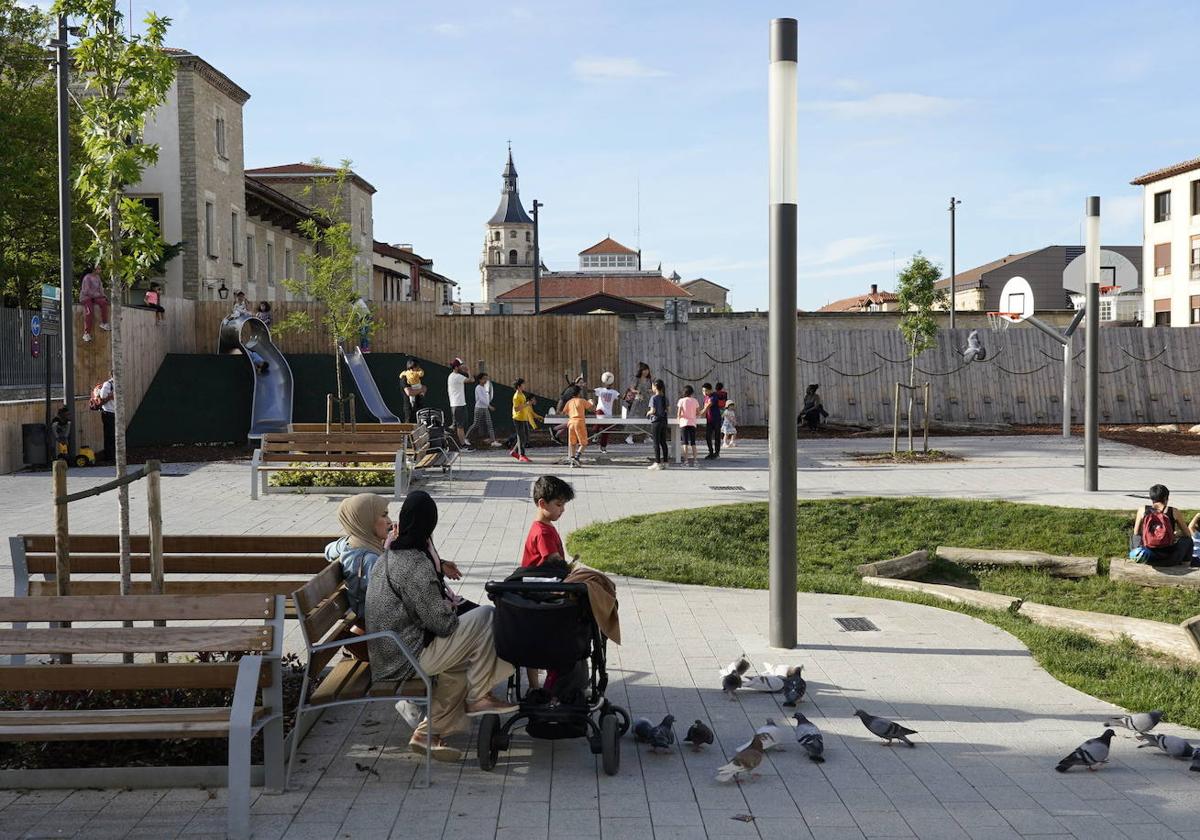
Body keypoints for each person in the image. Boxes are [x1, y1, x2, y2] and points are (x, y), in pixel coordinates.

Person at [365, 491, 515, 761]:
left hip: (389, 655)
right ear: (429, 527)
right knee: (487, 615)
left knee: (457, 669)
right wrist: (450, 610)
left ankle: (426, 734)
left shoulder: (389, 555)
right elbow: (443, 625)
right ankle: (480, 694)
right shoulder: (415, 563)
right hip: (405, 660)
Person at [520, 476, 575, 691]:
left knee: (531, 645)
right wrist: (570, 569)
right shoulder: (543, 531)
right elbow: (552, 560)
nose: (562, 510)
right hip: (540, 592)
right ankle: (541, 687)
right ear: (543, 504)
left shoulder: (543, 527)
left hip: (534, 590)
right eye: (558, 505)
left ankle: (534, 687)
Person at [325, 494, 391, 623]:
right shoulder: (370, 560)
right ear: (365, 520)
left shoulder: (352, 543)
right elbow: (384, 603)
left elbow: (328, 551)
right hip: (379, 629)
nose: (389, 521)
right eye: (383, 515)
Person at [1130, 484, 1193, 566]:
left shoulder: (1142, 510)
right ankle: (1185, 565)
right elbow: (1187, 534)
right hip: (1170, 559)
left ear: (1151, 498)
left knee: (1134, 536)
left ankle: (1137, 557)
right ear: (1166, 498)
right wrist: (1175, 534)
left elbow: (1136, 533)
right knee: (1187, 540)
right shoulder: (1173, 511)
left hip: (1147, 557)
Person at [465, 372, 502, 447]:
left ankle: (493, 441)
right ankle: (466, 438)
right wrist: (489, 406)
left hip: (485, 408)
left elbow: (486, 399)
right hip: (479, 408)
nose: (486, 380)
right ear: (480, 380)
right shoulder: (478, 388)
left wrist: (488, 405)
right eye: (484, 379)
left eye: (486, 379)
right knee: (475, 424)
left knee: (489, 424)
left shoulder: (484, 388)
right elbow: (481, 399)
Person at [511, 378, 541, 463]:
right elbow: (516, 409)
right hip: (518, 418)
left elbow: (524, 405)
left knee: (525, 437)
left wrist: (528, 404)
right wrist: (527, 404)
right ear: (519, 386)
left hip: (523, 418)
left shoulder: (522, 394)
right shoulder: (516, 396)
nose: (525, 385)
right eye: (523, 384)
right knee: (522, 437)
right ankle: (522, 455)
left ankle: (514, 452)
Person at [79, 266, 110, 343]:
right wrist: (98, 295)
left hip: (95, 297)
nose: (100, 270)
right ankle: (86, 333)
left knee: (103, 303)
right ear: (93, 269)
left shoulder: (98, 277)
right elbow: (86, 291)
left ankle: (104, 322)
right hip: (86, 297)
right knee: (89, 312)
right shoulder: (87, 278)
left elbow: (100, 289)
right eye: (98, 268)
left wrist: (103, 295)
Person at [624, 362, 652, 444]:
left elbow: (651, 389)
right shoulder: (637, 379)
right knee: (635, 419)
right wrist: (637, 391)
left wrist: (650, 390)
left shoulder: (649, 380)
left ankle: (647, 436)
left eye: (647, 370)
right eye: (645, 370)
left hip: (647, 402)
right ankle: (629, 436)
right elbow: (632, 388)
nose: (646, 371)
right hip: (638, 402)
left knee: (647, 418)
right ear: (641, 371)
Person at [564, 388, 593, 467]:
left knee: (572, 443)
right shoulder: (582, 400)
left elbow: (565, 411)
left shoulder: (569, 402)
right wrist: (591, 401)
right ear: (579, 393)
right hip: (579, 422)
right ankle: (577, 458)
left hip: (571, 423)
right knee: (583, 443)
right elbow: (590, 406)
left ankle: (572, 462)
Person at [446, 358, 471, 450]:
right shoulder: (457, 376)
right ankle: (463, 445)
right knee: (459, 426)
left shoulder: (452, 376)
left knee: (458, 425)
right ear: (456, 367)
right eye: (460, 365)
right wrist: (468, 370)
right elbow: (471, 380)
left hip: (458, 404)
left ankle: (463, 442)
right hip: (458, 405)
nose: (462, 367)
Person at [593, 372, 620, 454]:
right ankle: (595, 434)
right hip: (600, 410)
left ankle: (603, 447)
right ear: (603, 382)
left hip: (608, 414)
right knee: (599, 422)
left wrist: (629, 397)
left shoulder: (614, 392)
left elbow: (621, 397)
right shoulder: (600, 390)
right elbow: (591, 391)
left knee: (607, 431)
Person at [646, 378, 669, 470]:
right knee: (663, 442)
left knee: (656, 443)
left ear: (655, 387)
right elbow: (668, 409)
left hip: (656, 421)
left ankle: (657, 462)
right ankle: (666, 462)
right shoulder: (665, 398)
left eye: (652, 386)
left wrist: (647, 413)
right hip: (664, 421)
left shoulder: (653, 398)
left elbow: (653, 410)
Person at [677, 384, 700, 468]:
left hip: (684, 423)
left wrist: (679, 419)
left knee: (685, 443)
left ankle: (686, 461)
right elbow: (698, 413)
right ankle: (695, 461)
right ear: (692, 393)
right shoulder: (695, 401)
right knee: (693, 443)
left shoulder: (681, 400)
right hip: (692, 423)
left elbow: (679, 413)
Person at [97, 371, 116, 463]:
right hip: (108, 413)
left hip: (115, 413)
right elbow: (101, 401)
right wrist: (110, 397)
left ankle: (114, 456)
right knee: (109, 435)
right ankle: (109, 457)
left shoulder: (118, 384)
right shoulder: (108, 385)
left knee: (114, 435)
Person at [400, 359, 427, 424]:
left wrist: (423, 390)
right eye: (417, 367)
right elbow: (409, 392)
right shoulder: (404, 378)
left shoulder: (417, 377)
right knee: (409, 426)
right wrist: (421, 389)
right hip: (410, 408)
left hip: (419, 406)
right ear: (412, 367)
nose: (418, 369)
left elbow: (423, 389)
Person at [701, 382, 722, 460]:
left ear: (710, 390)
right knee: (708, 436)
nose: (704, 392)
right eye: (703, 391)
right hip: (709, 420)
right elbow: (704, 409)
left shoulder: (714, 396)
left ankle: (716, 453)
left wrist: (700, 412)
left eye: (706, 390)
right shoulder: (705, 398)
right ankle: (710, 452)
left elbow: (707, 406)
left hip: (716, 419)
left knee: (717, 436)